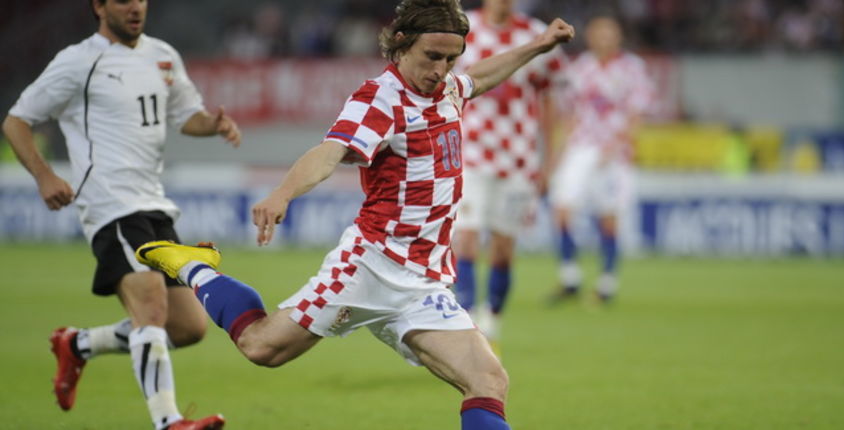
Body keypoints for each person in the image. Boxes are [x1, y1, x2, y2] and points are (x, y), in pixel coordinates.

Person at [134, 1, 573, 428]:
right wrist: (284, 193)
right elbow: (331, 152)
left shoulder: (449, 88)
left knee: (489, 379)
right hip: (369, 267)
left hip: (423, 283)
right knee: (261, 347)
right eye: (432, 57)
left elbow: (480, 75)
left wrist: (538, 45)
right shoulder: (380, 99)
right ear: (400, 45)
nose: (441, 69)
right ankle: (194, 267)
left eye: (451, 58)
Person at [2, 1, 241, 429]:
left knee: (188, 326)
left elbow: (187, 115)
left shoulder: (162, 54)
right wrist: (43, 176)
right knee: (150, 308)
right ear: (98, 6)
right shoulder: (78, 61)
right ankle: (168, 421)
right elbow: (17, 120)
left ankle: (78, 345)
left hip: (154, 203)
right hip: (109, 202)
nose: (135, 7)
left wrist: (215, 124)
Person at [452, 0, 567, 352]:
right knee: (466, 239)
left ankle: (493, 321)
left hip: (518, 158)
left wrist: (548, 162)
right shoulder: (461, 28)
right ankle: (466, 326)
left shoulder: (535, 35)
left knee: (503, 249)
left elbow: (549, 99)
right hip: (469, 154)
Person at [548, 15, 653, 303]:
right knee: (562, 208)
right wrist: (560, 152)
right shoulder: (580, 68)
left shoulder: (632, 68)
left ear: (618, 36)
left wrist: (620, 144)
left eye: (610, 33)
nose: (604, 38)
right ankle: (570, 278)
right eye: (599, 33)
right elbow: (568, 112)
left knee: (608, 216)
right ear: (590, 36)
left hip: (613, 151)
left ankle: (607, 283)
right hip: (580, 147)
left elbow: (637, 112)